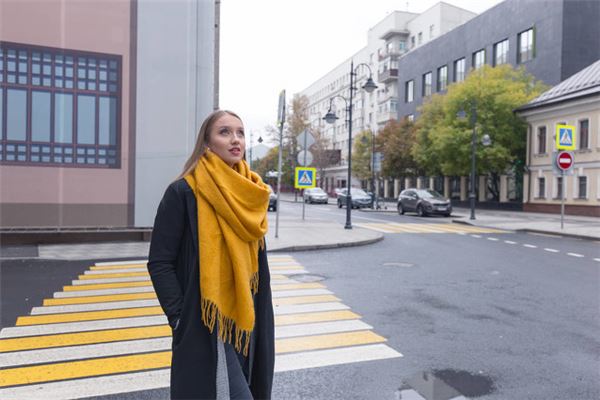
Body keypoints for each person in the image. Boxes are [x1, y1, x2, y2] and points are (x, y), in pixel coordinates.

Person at [147, 110, 275, 400]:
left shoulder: (252, 196)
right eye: (224, 132)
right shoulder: (183, 192)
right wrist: (179, 318)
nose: (235, 139)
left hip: (247, 319)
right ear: (206, 143)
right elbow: (160, 262)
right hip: (206, 322)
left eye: (240, 133)